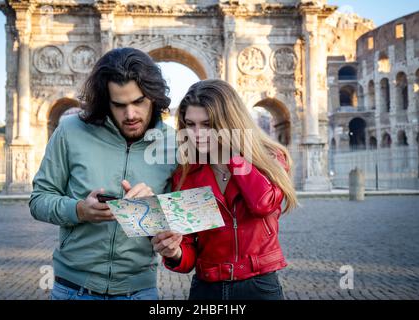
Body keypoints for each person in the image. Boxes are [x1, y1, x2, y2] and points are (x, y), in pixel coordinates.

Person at [29, 48, 177, 300]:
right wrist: (78, 210)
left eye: (139, 101)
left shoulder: (173, 145)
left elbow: (178, 224)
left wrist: (156, 213)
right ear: (104, 100)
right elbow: (38, 200)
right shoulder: (70, 131)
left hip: (139, 290)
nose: (130, 114)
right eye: (119, 105)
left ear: (154, 96)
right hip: (73, 289)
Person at [152, 79, 298, 300]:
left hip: (259, 286)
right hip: (206, 289)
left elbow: (262, 204)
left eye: (208, 125)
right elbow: (188, 251)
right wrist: (175, 252)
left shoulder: (270, 159)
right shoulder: (187, 174)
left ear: (229, 123)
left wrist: (231, 154)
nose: (196, 134)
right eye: (190, 124)